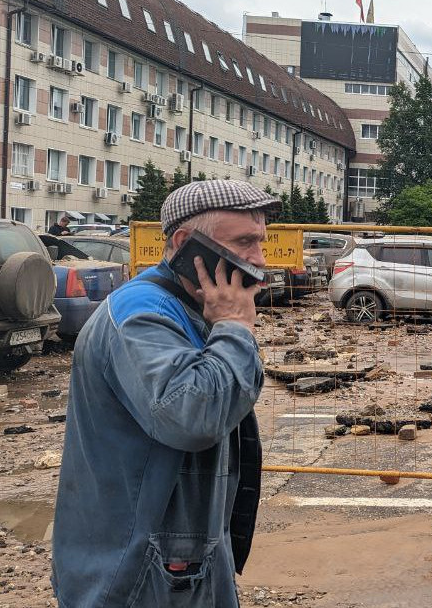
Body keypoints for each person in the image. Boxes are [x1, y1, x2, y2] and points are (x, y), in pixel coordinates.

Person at [52, 180, 277, 607]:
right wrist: (234, 329)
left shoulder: (194, 308)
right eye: (245, 242)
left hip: (178, 560)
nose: (258, 260)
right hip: (136, 573)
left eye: (260, 242)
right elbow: (192, 417)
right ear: (185, 243)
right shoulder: (142, 316)